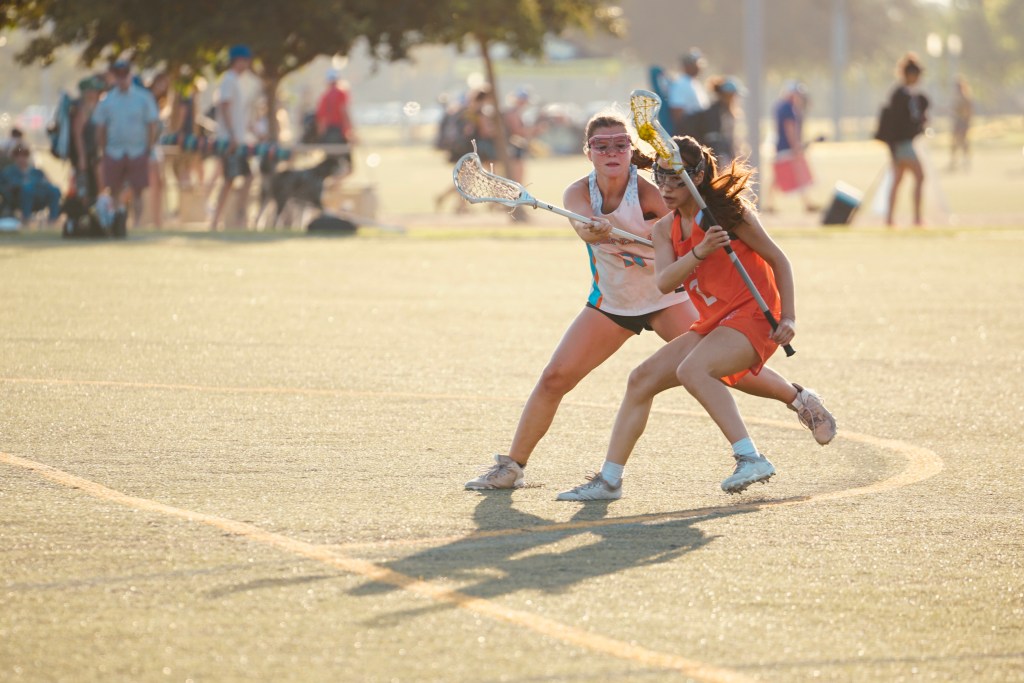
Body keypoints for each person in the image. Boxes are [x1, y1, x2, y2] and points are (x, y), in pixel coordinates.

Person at [465, 114, 835, 491]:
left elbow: (687, 231)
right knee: (557, 377)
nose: (611, 152)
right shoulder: (579, 193)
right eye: (601, 146)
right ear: (588, 152)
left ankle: (798, 401)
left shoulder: (653, 193)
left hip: (667, 298)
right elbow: (585, 229)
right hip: (613, 300)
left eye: (620, 144)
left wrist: (660, 239)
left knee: (718, 366)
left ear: (631, 150)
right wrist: (595, 229)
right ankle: (515, 468)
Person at [557, 135, 830, 501]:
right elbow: (666, 281)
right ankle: (609, 481)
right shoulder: (664, 229)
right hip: (717, 320)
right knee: (640, 379)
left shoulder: (729, 214)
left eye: (676, 180)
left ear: (697, 177)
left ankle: (750, 457)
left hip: (754, 314)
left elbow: (779, 260)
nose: (666, 189)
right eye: (661, 178)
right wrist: (700, 251)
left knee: (693, 370)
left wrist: (790, 317)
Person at [92, 59, 160, 234]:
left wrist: (149, 147)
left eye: (125, 75)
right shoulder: (107, 100)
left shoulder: (143, 98)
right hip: (114, 151)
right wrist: (103, 150)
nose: (122, 79)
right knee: (114, 188)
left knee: (138, 189)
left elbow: (152, 124)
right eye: (119, 75)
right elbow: (101, 127)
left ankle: (137, 224)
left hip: (138, 150)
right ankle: (118, 221)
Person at [210, 44, 259, 231]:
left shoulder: (237, 81)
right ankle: (219, 220)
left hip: (237, 138)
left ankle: (237, 217)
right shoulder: (229, 80)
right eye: (245, 60)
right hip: (230, 139)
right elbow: (224, 106)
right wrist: (231, 134)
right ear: (237, 60)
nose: (247, 64)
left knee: (244, 177)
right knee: (229, 179)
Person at [882, 53, 930, 228]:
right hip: (902, 144)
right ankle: (916, 218)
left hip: (902, 144)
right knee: (920, 176)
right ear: (910, 75)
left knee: (898, 180)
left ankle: (890, 218)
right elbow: (895, 123)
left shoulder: (909, 95)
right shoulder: (901, 95)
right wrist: (892, 146)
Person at [764, 81, 817, 214]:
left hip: (781, 146)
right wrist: (795, 146)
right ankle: (807, 203)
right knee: (794, 173)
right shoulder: (788, 108)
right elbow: (790, 128)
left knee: (780, 175)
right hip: (786, 147)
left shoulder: (781, 106)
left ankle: (769, 203)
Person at [0, 143, 61, 226]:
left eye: (24, 155)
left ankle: (53, 221)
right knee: (27, 188)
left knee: (55, 190)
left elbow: (48, 182)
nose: (21, 158)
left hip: (39, 198)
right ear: (14, 157)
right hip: (19, 198)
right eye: (18, 155)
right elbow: (5, 188)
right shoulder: (8, 172)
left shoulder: (36, 172)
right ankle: (26, 220)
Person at [315, 68, 357, 174]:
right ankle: (335, 183)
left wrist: (322, 138)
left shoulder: (324, 96)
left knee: (330, 167)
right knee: (349, 168)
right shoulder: (341, 93)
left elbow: (321, 121)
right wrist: (352, 131)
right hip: (340, 134)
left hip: (328, 135)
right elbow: (344, 112)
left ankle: (332, 183)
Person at [71, 76, 105, 202]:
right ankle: (85, 207)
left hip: (96, 154)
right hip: (86, 154)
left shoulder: (97, 107)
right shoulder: (83, 110)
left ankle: (98, 205)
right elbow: (77, 134)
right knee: (84, 185)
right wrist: (82, 156)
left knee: (98, 184)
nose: (95, 93)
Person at [702, 76, 745, 168]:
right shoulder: (715, 112)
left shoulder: (727, 111)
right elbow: (714, 139)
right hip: (721, 157)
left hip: (728, 154)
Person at [667, 48, 710, 138]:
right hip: (690, 130)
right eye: (695, 64)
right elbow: (677, 112)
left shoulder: (694, 83)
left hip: (700, 127)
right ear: (687, 66)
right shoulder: (680, 84)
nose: (698, 66)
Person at [948, 75, 972, 172]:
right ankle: (954, 160)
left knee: (963, 141)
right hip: (957, 121)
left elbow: (968, 112)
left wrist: (966, 121)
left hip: (962, 122)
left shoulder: (965, 98)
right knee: (955, 141)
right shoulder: (956, 98)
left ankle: (965, 160)